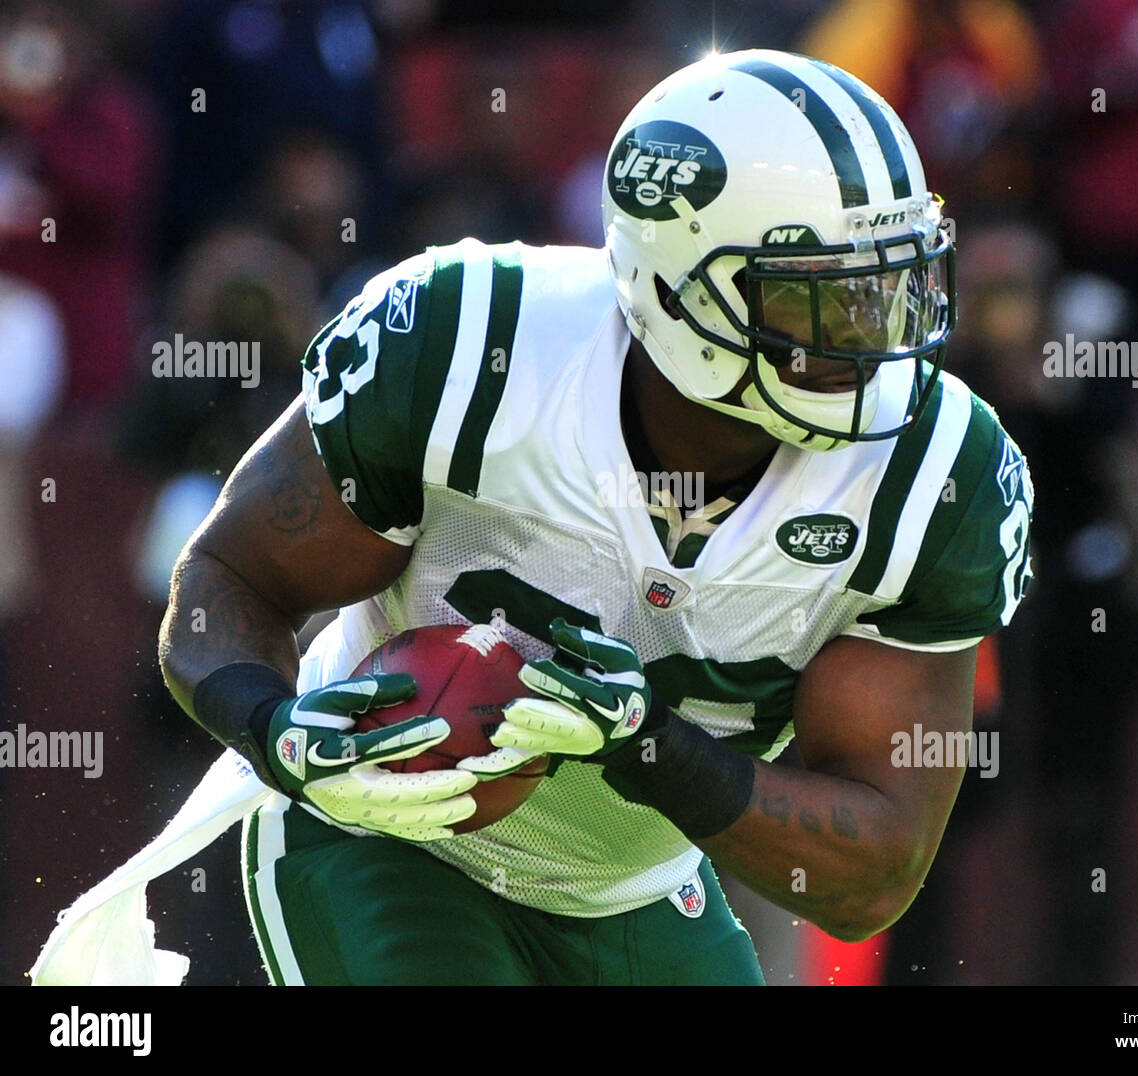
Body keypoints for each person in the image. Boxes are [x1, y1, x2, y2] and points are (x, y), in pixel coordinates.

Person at [157, 48, 1034, 986]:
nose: (870, 342)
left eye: (884, 288)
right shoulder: (471, 344)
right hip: (390, 836)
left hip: (634, 887)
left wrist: (649, 743)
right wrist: (282, 734)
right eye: (818, 297)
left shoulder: (938, 475)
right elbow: (223, 583)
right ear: (681, 289)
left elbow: (872, 872)